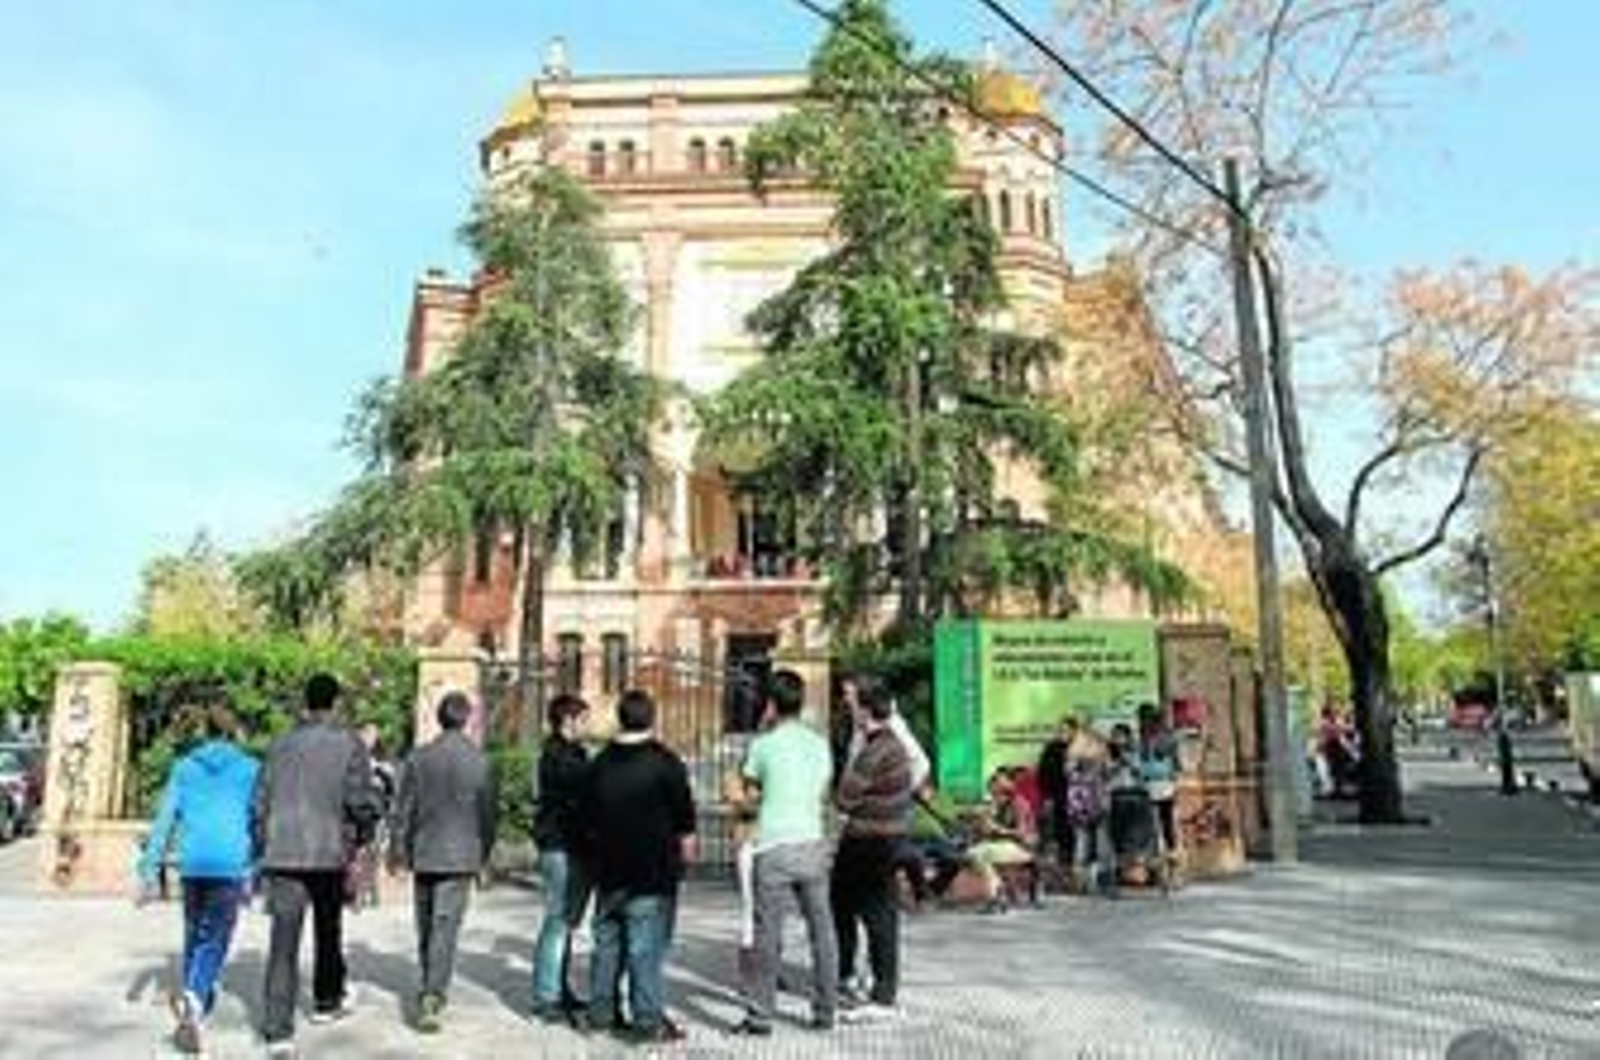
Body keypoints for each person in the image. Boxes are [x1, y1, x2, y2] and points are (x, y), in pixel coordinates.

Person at [254, 673, 383, 1057]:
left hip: (283, 852)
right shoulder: (349, 744)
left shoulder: (279, 745)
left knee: (283, 943)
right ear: (336, 702)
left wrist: (266, 841)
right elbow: (360, 799)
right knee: (329, 928)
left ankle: (277, 1031)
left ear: (305, 703)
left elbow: (259, 801)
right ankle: (327, 1000)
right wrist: (369, 822)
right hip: (328, 850)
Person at [136, 700, 260, 1056]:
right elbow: (258, 820)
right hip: (230, 863)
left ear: (204, 733)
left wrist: (148, 868)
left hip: (193, 863)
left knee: (194, 931)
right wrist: (254, 866)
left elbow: (164, 821)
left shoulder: (184, 768)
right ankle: (195, 995)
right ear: (233, 732)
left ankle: (196, 1004)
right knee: (217, 936)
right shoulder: (250, 768)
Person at [578, 689, 697, 1045]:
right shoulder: (666, 762)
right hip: (652, 873)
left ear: (619, 717)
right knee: (645, 948)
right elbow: (685, 822)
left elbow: (586, 817)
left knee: (607, 942)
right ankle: (647, 1020)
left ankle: (600, 1014)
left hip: (609, 871)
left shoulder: (599, 763)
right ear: (652, 717)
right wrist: (684, 860)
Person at [733, 669, 838, 1037]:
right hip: (812, 843)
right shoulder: (819, 744)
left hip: (773, 846)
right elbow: (823, 793)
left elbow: (748, 794)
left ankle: (760, 1016)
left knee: (768, 934)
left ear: (771, 704)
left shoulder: (763, 745)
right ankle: (826, 1011)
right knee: (822, 931)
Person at [388, 691, 496, 1034]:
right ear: (466, 719)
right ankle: (432, 994)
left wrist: (398, 850)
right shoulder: (479, 761)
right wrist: (484, 855)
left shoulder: (419, 758)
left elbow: (402, 809)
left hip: (426, 850)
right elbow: (488, 816)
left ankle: (430, 983)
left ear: (439, 718)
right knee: (445, 925)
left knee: (427, 923)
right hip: (461, 854)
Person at [831, 678, 913, 1020]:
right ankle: (852, 977)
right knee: (852, 907)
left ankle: (881, 995)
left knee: (875, 915)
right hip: (885, 838)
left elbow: (845, 798)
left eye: (853, 704)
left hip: (869, 842)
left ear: (865, 710)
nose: (850, 709)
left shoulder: (875, 750)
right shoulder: (891, 743)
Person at [530, 693, 593, 1025]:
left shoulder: (573, 753)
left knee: (566, 921)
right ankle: (546, 998)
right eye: (584, 719)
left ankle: (559, 989)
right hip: (560, 847)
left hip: (572, 847)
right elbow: (583, 795)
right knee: (557, 921)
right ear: (568, 721)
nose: (588, 724)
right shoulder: (558, 756)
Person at [967, 767, 1039, 913]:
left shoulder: (1019, 804)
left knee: (978, 854)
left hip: (1023, 847)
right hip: (1003, 846)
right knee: (976, 853)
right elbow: (988, 833)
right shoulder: (996, 806)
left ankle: (996, 896)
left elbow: (1023, 833)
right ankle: (996, 894)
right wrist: (981, 825)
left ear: (1004, 793)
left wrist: (999, 829)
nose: (993, 796)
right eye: (992, 793)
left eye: (995, 793)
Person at [1064, 725, 1115, 897]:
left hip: (1079, 803)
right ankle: (1106, 883)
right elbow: (1109, 774)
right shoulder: (1100, 753)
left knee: (1081, 842)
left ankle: (1081, 884)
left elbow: (1069, 775)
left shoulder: (1073, 754)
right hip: (1098, 801)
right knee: (1103, 843)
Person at [1036, 716, 1081, 875]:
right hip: (1059, 797)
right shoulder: (1052, 748)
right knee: (1061, 833)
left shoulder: (1083, 748)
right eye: (1060, 730)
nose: (1062, 733)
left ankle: (1079, 871)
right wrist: (1047, 797)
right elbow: (1042, 774)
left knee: (1080, 836)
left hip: (1082, 800)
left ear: (1074, 730)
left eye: (1065, 730)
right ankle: (1063, 869)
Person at [1137, 703, 1182, 861]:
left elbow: (1142, 763)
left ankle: (1162, 855)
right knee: (1165, 822)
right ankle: (1170, 854)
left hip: (1153, 784)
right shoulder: (1166, 735)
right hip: (1163, 784)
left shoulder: (1148, 737)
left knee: (1157, 823)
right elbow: (1177, 764)